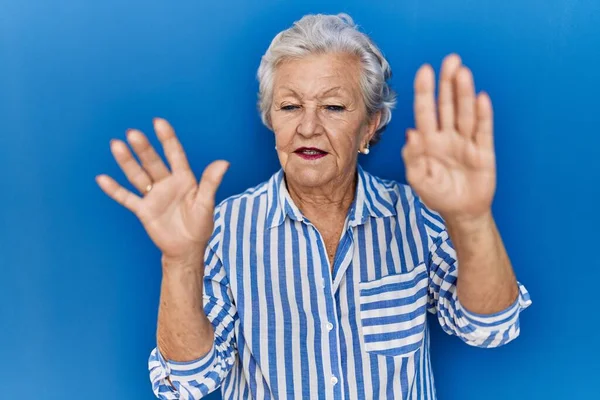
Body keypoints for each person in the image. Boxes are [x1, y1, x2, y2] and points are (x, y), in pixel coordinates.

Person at [96, 13, 531, 400]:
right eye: (289, 106)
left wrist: (471, 219)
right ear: (271, 119)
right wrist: (180, 261)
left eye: (333, 107)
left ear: (370, 125)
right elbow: (186, 383)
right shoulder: (221, 226)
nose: (307, 126)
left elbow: (490, 329)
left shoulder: (417, 214)